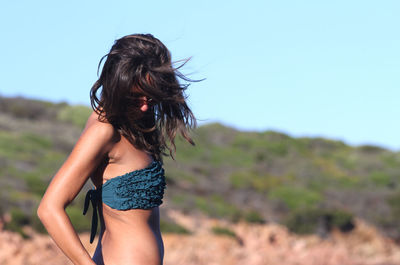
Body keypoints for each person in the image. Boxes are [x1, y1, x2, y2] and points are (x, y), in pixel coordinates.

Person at [37, 33, 199, 265]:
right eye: (136, 97)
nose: (144, 106)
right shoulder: (104, 131)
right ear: (117, 85)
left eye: (150, 97)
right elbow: (49, 209)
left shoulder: (132, 124)